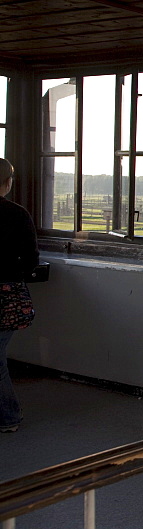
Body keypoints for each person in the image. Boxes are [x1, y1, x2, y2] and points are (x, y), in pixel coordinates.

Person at [0, 158, 39, 433]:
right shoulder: (16, 214)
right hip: (6, 297)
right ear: (7, 182)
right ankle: (8, 416)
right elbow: (31, 260)